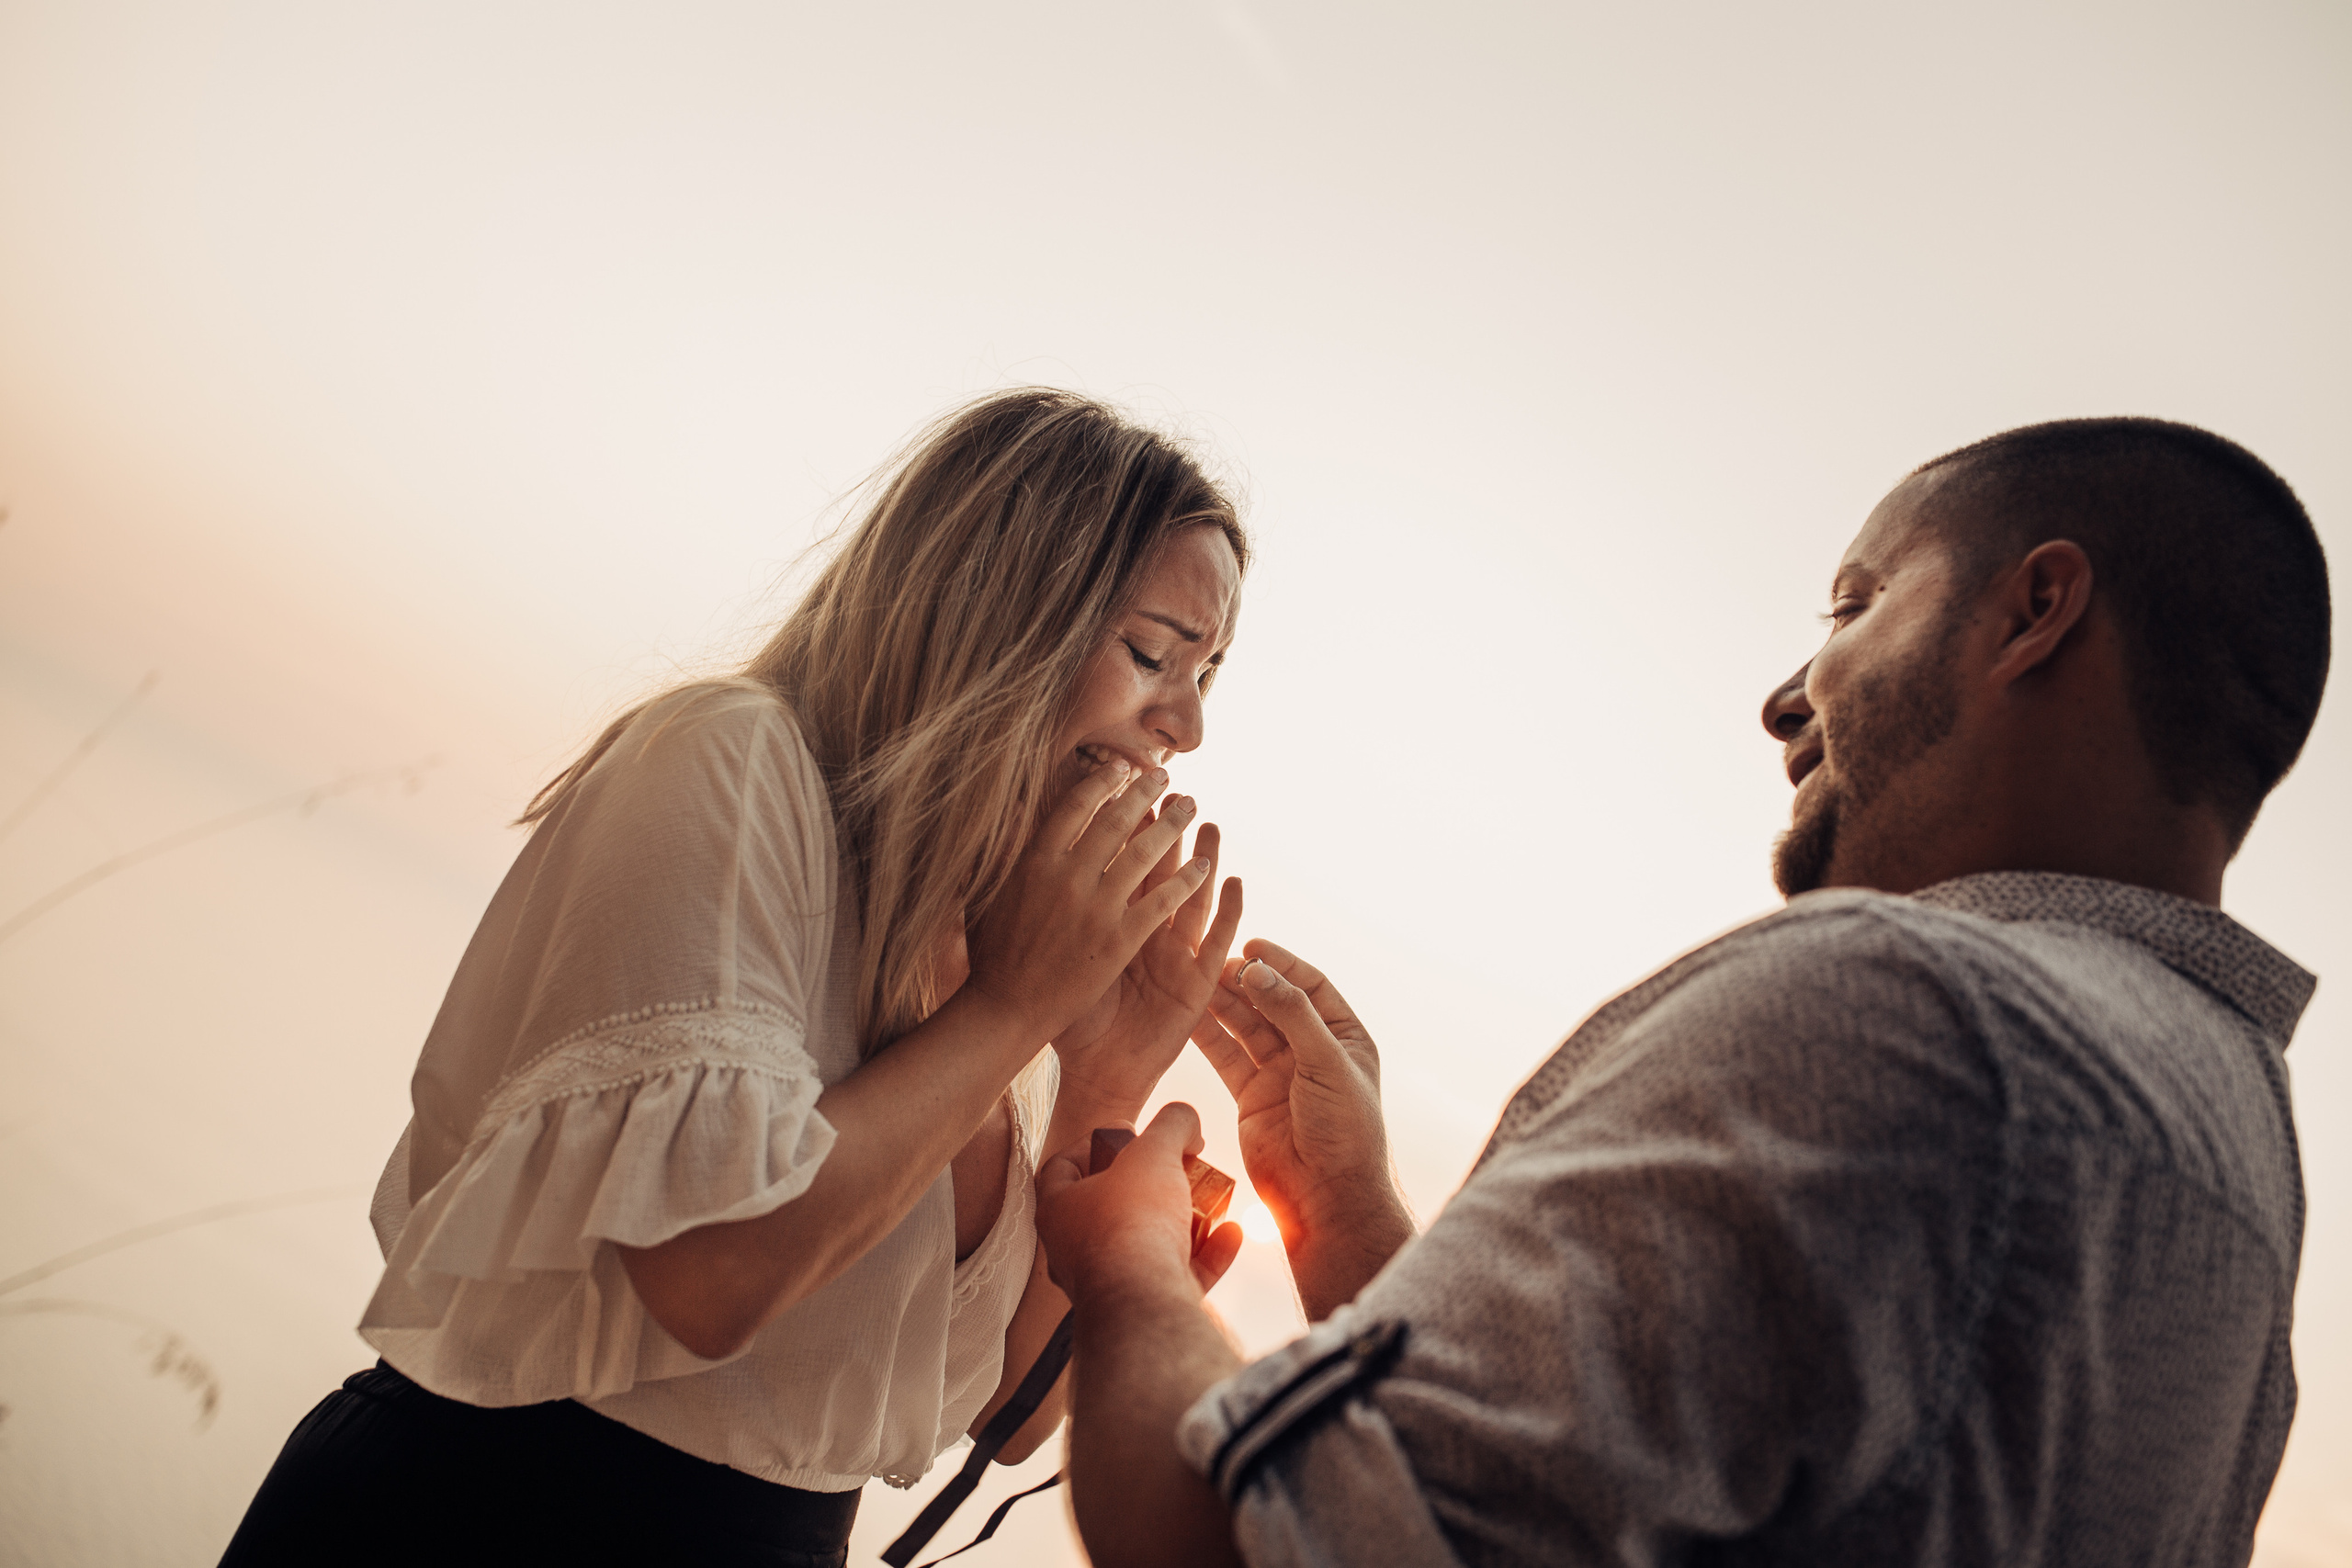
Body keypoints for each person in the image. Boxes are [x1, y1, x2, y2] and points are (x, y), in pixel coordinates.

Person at [1037, 416, 2331, 1568]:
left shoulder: (1894, 1006)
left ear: (2035, 609)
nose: (1785, 698)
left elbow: (1228, 1535)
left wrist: (1131, 1261)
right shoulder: (2233, 1144)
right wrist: (1339, 1210)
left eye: (1853, 604)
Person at [220, 389, 1250, 1567]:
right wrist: (1013, 1009)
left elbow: (1003, 1416)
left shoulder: (988, 936)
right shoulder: (730, 760)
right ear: (1000, 612)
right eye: (1152, 654)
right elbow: (711, 1275)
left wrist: (1102, 1080)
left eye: (1207, 674)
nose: (1185, 724)